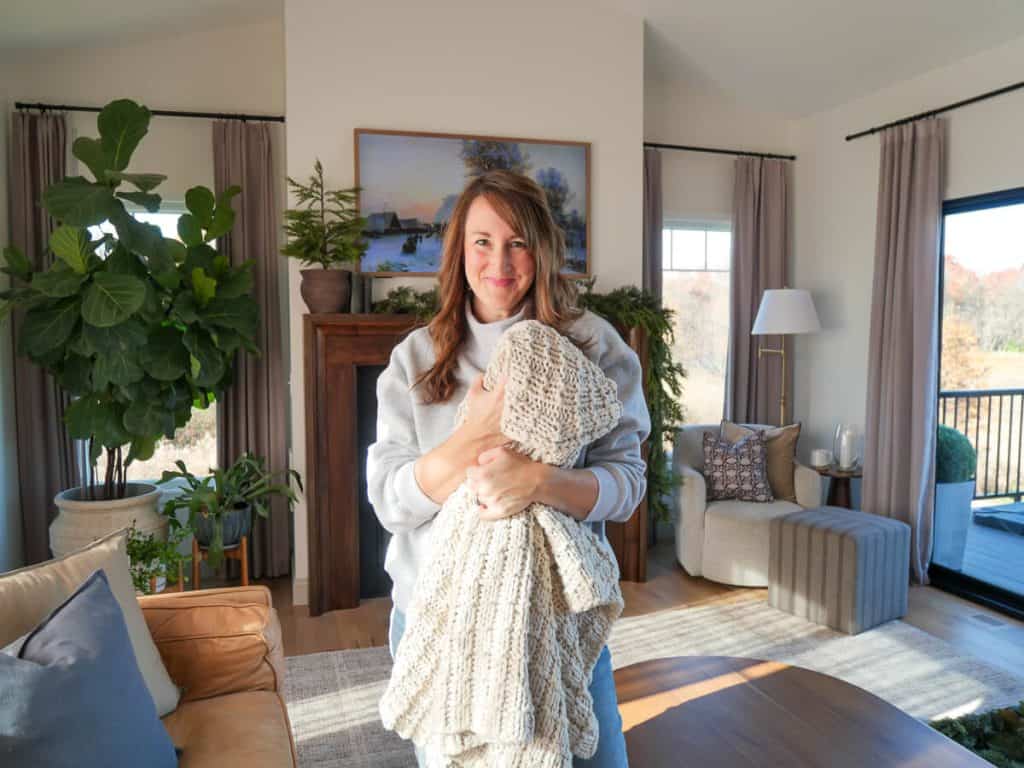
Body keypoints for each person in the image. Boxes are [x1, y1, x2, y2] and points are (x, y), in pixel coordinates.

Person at [366, 169, 651, 767]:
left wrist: (540, 483)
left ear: (542, 249)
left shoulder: (594, 348)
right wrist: (474, 435)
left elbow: (626, 485)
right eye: (483, 241)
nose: (500, 261)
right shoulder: (415, 358)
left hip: (560, 625)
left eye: (517, 241)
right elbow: (391, 500)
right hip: (440, 623)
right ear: (459, 251)